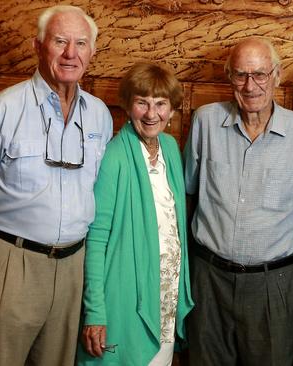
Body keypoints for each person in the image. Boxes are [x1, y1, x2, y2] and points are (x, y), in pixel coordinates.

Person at [0, 5, 113, 366]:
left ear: (92, 52)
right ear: (38, 46)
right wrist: (5, 238)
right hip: (11, 262)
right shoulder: (4, 109)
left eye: (81, 43)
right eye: (60, 42)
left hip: (73, 265)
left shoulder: (100, 114)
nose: (71, 53)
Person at [183, 37, 293, 365]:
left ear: (277, 75)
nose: (250, 86)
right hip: (209, 278)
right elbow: (187, 192)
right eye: (240, 75)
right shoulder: (205, 121)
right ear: (229, 78)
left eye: (260, 74)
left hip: (275, 285)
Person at [77, 62, 193, 366]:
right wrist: (95, 312)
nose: (151, 113)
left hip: (164, 298)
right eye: (142, 102)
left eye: (160, 104)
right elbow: (97, 239)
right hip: (127, 299)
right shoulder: (115, 155)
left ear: (172, 109)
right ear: (128, 106)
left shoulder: (169, 148)